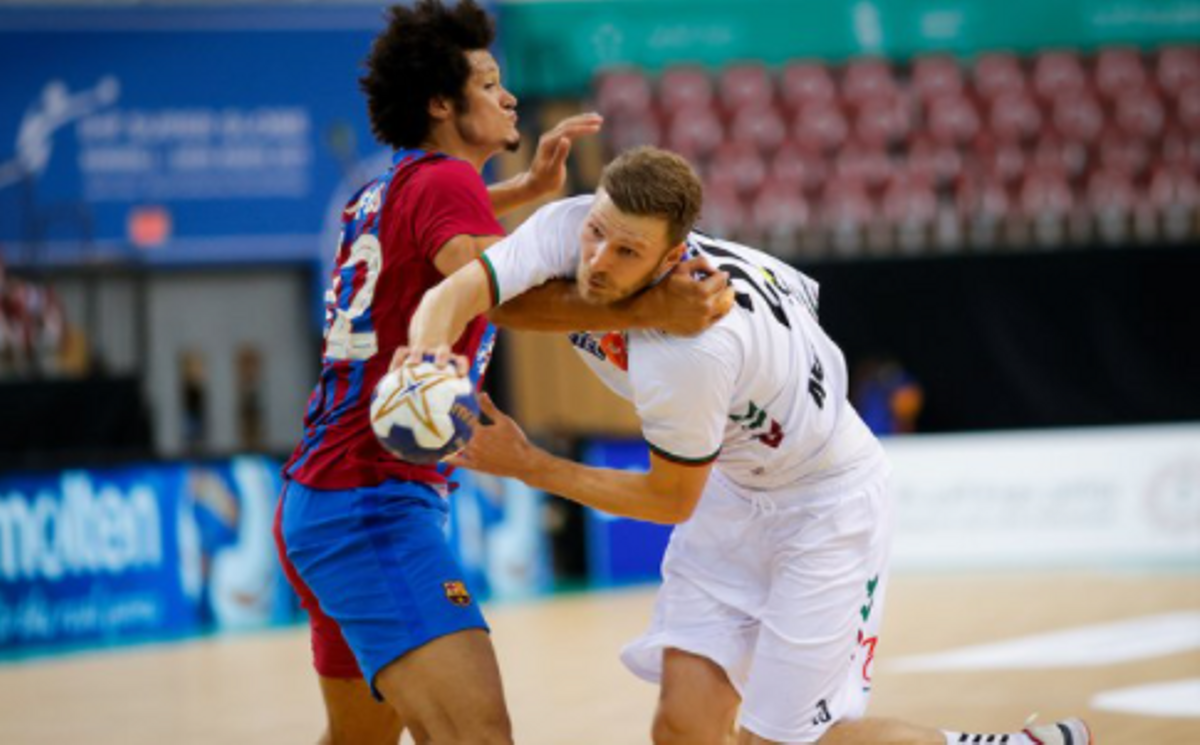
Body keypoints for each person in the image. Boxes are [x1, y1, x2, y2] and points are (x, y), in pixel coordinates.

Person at [402, 146, 1094, 745]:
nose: (597, 261)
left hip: (822, 503)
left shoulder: (692, 352)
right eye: (597, 233)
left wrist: (529, 464)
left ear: (677, 256)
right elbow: (461, 289)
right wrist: (423, 359)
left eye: (626, 252)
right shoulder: (567, 226)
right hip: (734, 485)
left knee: (788, 740)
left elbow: (670, 497)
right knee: (682, 726)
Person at [273, 4, 732, 744]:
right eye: (488, 83)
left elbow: (435, 227)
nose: (509, 96)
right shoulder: (443, 184)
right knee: (477, 735)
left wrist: (523, 191)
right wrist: (656, 310)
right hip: (373, 503)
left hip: (318, 498)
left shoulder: (383, 190)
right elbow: (504, 297)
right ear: (440, 103)